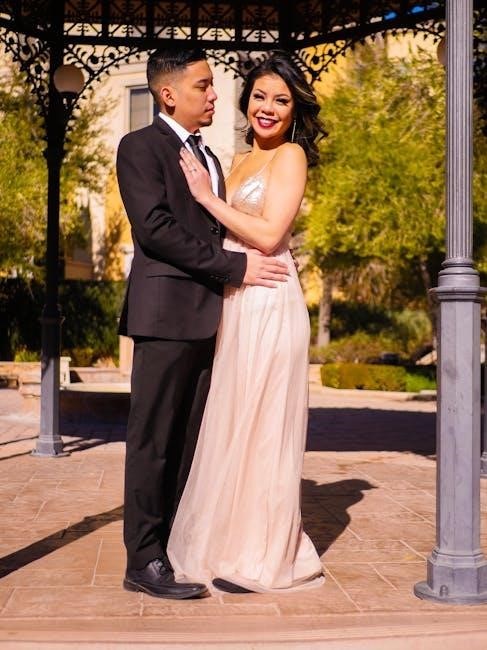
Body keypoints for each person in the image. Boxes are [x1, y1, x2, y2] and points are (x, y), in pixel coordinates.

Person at [116, 47, 289, 600]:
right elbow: (157, 230)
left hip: (217, 320)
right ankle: (143, 560)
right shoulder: (140, 147)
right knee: (154, 441)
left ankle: (174, 546)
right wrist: (237, 268)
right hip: (165, 316)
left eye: (213, 85)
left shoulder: (211, 157)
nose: (215, 95)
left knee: (192, 441)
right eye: (203, 86)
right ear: (168, 94)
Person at [167, 51, 327, 593]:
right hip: (235, 300)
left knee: (264, 427)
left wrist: (205, 198)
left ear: (294, 110)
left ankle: (263, 557)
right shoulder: (235, 160)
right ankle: (227, 545)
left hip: (269, 298)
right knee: (233, 423)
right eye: (260, 96)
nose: (268, 108)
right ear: (246, 100)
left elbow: (268, 234)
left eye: (281, 100)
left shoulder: (291, 157)